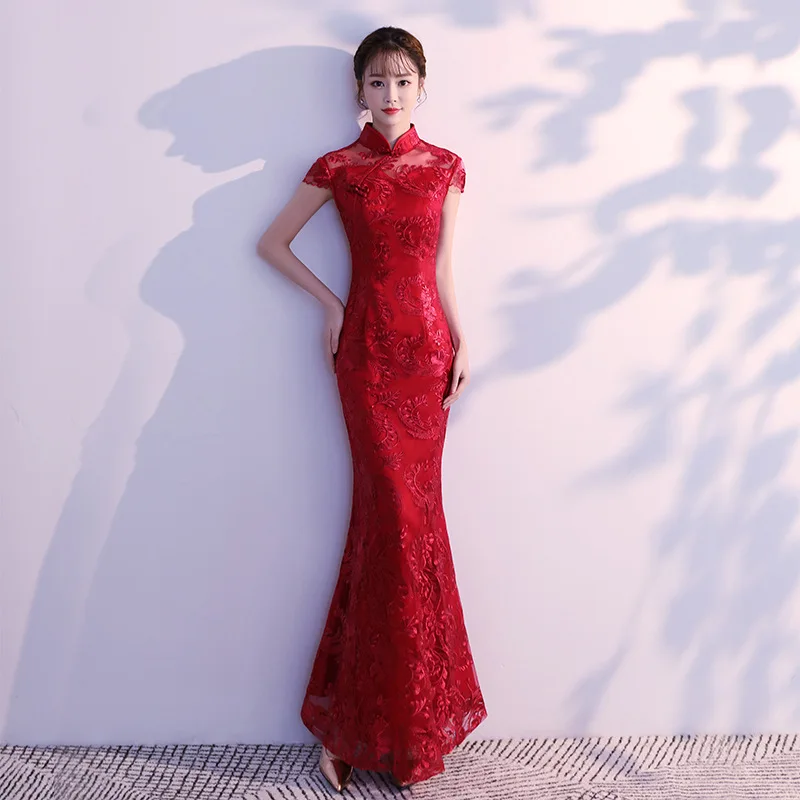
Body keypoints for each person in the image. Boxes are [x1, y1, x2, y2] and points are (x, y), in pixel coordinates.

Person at [256, 25, 488, 792]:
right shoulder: (338, 168)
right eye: (377, 81)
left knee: (412, 531)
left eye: (403, 80)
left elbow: (444, 270)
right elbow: (273, 244)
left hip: (427, 360)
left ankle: (406, 726)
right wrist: (330, 305)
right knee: (389, 525)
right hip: (365, 359)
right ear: (357, 90)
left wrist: (462, 337)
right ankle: (356, 728)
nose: (391, 94)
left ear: (422, 88)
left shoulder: (446, 167)